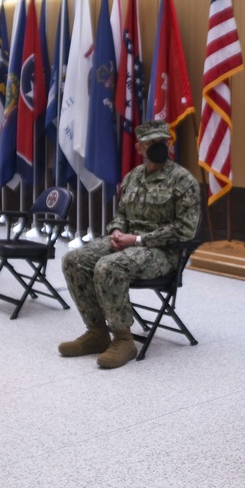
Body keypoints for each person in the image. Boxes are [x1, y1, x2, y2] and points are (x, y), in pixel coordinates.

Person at [60, 120, 201, 369]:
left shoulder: (183, 181)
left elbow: (184, 231)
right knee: (73, 260)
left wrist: (137, 239)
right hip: (128, 243)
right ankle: (97, 332)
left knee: (108, 266)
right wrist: (116, 230)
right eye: (152, 143)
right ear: (139, 148)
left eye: (162, 142)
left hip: (163, 252)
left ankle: (123, 339)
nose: (159, 147)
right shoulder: (133, 176)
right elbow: (122, 214)